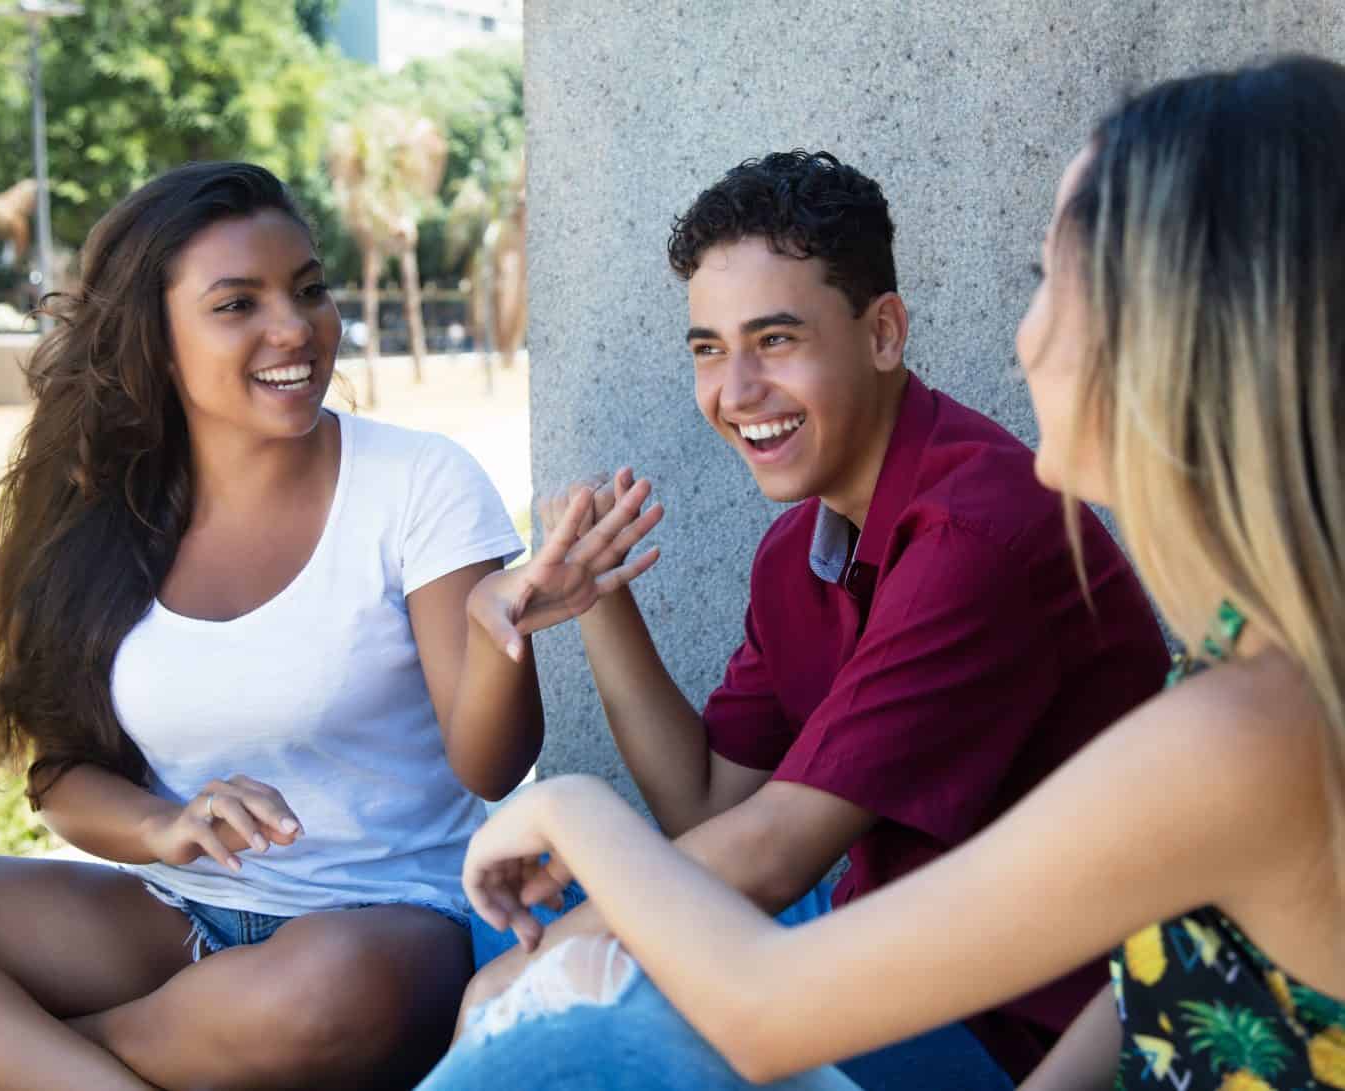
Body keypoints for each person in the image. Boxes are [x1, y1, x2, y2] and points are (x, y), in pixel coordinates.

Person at [419, 54, 1345, 1091]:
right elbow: (1154, 968)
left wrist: (567, 813)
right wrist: (599, 595)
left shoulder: (1016, 559)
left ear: (1184, 336)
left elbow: (766, 935)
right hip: (926, 962)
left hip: (985, 1020)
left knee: (559, 1013)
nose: (1025, 333)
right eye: (710, 349)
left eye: (1053, 283)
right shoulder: (1242, 664)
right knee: (512, 947)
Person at [0, 162, 660, 1091]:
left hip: (387, 929)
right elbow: (63, 775)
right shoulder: (97, 513)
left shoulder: (417, 481)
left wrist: (494, 631)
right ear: (151, 340)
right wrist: (165, 823)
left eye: (309, 290)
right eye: (238, 303)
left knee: (328, 991)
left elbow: (492, 767)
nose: (296, 327)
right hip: (177, 914)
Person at [460, 149, 1169, 1087]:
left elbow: (770, 858)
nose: (736, 390)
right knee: (495, 925)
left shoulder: (977, 531)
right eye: (709, 348)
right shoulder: (803, 550)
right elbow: (708, 809)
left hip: (1014, 1025)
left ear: (883, 333)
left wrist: (532, 973)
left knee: (552, 984)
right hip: (881, 946)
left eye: (777, 339)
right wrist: (600, 598)